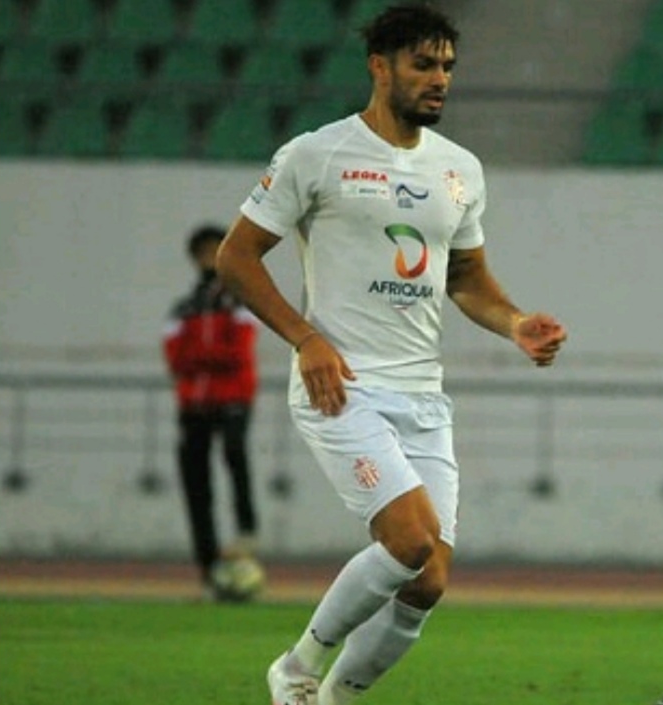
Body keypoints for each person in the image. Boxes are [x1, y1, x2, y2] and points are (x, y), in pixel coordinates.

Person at [214, 4, 567, 704]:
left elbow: (466, 279)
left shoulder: (459, 170)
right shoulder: (317, 154)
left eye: (447, 67)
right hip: (341, 384)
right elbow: (236, 258)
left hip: (421, 394)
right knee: (408, 541)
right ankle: (297, 667)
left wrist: (516, 322)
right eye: (423, 64)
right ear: (380, 67)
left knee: (428, 579)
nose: (440, 79)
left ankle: (334, 700)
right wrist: (307, 338)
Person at [162, 224, 260, 598]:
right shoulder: (185, 307)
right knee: (195, 483)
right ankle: (208, 567)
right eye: (202, 253)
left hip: (233, 396)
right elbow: (175, 359)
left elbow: (238, 352)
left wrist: (199, 357)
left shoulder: (241, 301)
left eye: (214, 251)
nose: (208, 259)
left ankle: (246, 530)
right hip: (193, 402)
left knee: (235, 453)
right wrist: (204, 359)